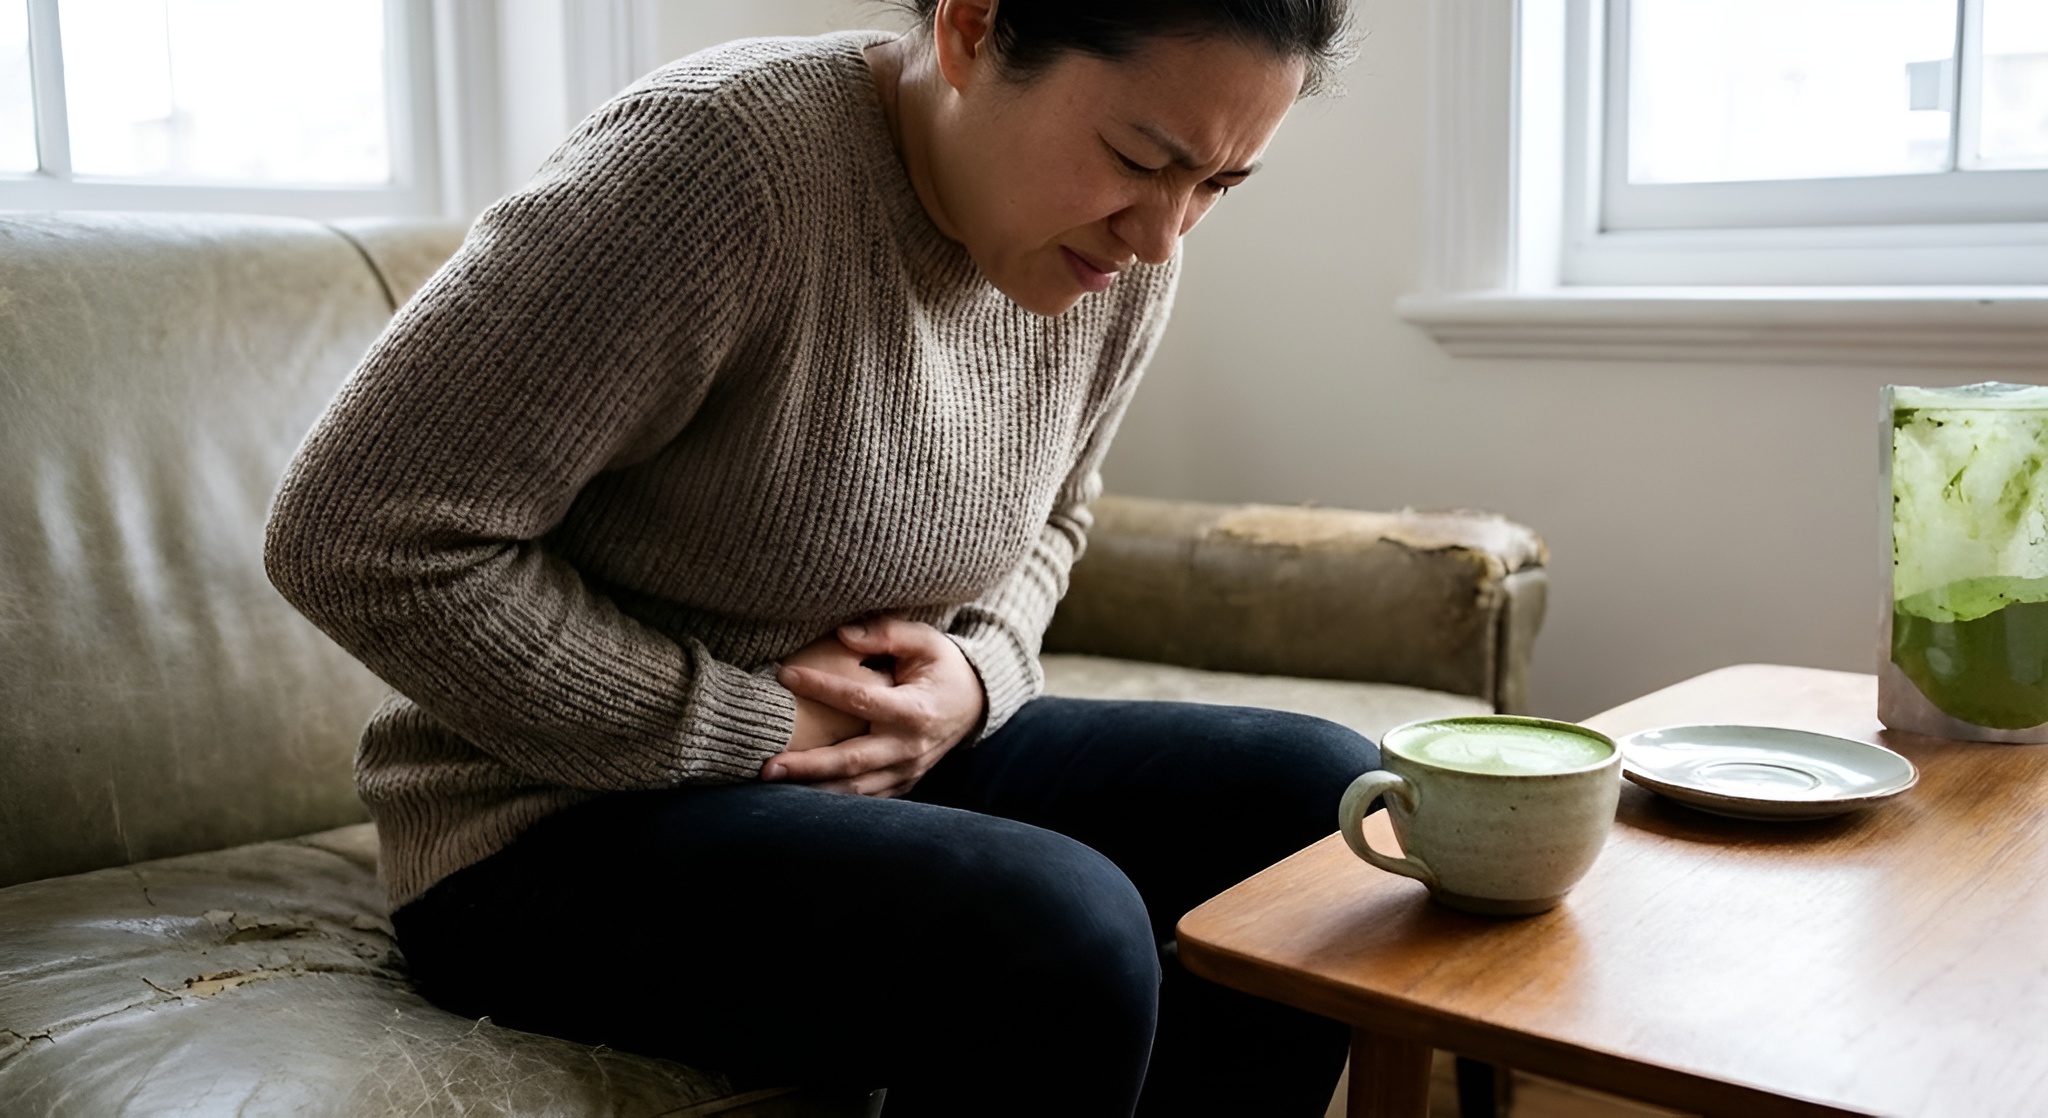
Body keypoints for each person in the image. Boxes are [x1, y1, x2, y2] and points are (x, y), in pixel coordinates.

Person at [265, 1, 1373, 1115]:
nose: (1163, 235)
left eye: (1219, 186)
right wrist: (753, 723)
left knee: (1321, 804)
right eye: (1141, 158)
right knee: (1056, 924)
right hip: (552, 819)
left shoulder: (1113, 256)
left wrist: (977, 675)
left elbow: (1058, 511)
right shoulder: (715, 166)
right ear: (969, 30)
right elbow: (357, 532)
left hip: (878, 763)